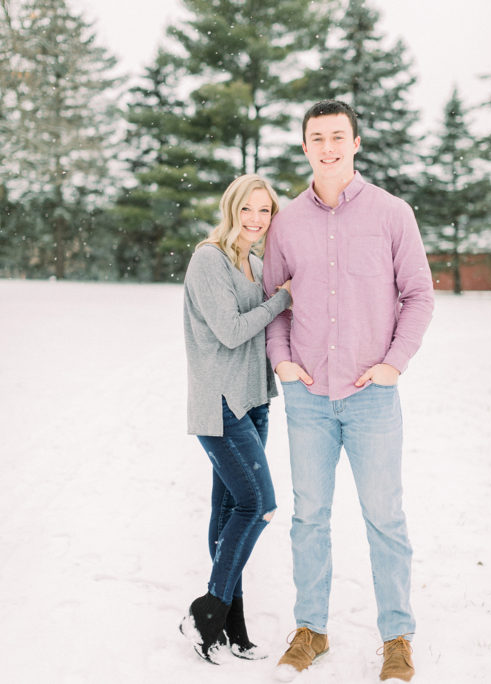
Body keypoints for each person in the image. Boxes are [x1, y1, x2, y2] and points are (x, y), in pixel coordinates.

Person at [262, 100, 434, 683]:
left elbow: (419, 295)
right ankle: (311, 628)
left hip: (371, 398)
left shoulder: (392, 213)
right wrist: (281, 361)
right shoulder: (286, 222)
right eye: (317, 138)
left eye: (338, 136)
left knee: (384, 517)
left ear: (356, 143)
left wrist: (394, 363)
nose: (328, 147)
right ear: (305, 146)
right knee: (309, 516)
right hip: (308, 398)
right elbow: (275, 301)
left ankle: (396, 637)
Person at [179, 173, 293, 663]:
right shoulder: (210, 258)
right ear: (231, 208)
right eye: (247, 209)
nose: (254, 219)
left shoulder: (256, 261)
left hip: (255, 399)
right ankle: (207, 612)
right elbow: (229, 331)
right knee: (259, 505)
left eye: (264, 211)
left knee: (229, 512)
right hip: (220, 403)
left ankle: (231, 624)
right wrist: (282, 299)